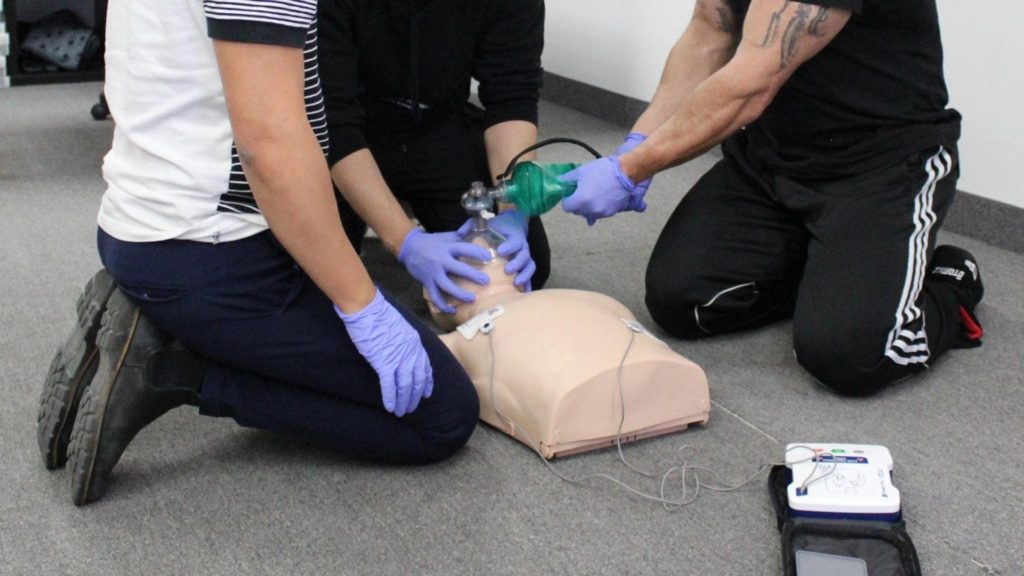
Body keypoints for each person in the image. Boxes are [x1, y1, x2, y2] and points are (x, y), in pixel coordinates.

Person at [37, 0, 484, 506]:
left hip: (139, 225)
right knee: (441, 413)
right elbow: (267, 144)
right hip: (209, 252)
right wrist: (364, 306)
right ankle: (170, 371)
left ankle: (158, 310)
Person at [558, 0, 983, 395]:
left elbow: (753, 82)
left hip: (881, 168)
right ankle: (833, 271)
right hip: (771, 158)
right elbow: (709, 32)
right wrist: (637, 143)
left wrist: (632, 170)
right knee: (682, 303)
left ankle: (949, 278)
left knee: (848, 356)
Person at [316, 0, 550, 307]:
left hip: (435, 125)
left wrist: (513, 208)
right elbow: (332, 118)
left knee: (516, 268)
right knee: (313, 281)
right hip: (336, 135)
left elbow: (512, 94)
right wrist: (405, 242)